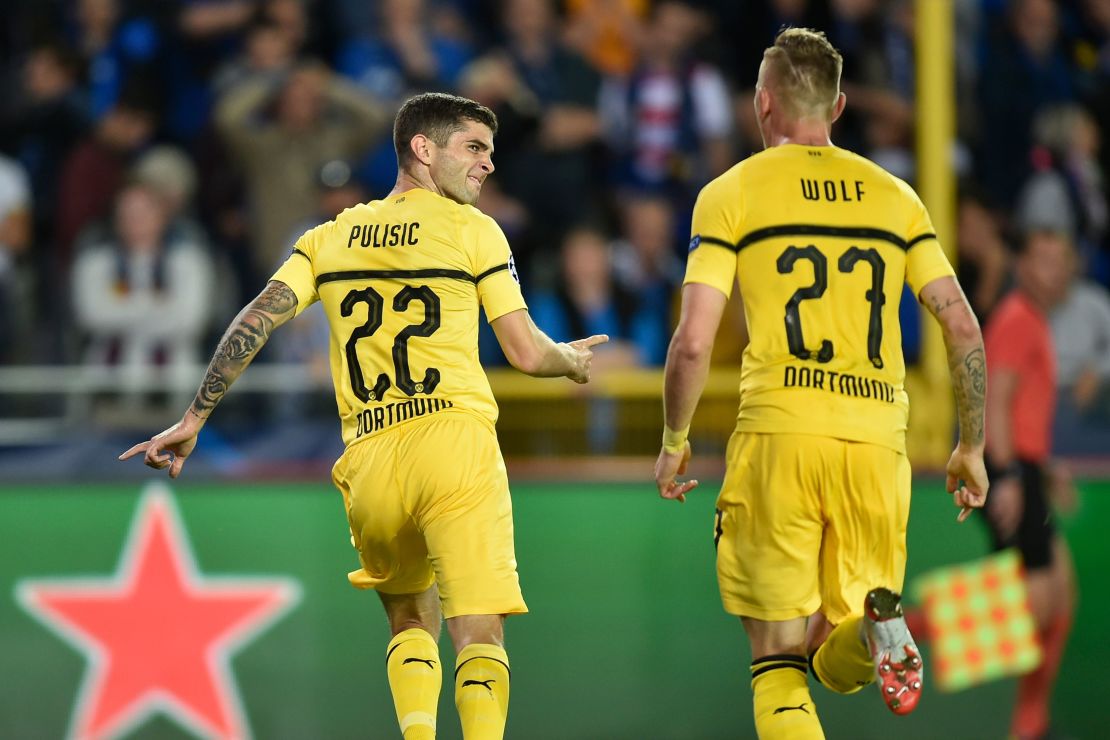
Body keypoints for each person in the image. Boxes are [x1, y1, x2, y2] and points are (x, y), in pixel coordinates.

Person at [120, 92, 605, 740]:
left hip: (371, 458)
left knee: (410, 622)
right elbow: (523, 351)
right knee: (479, 630)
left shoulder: (330, 237)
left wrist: (196, 414)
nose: (488, 164)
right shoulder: (474, 230)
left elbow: (256, 318)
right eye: (474, 148)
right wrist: (568, 360)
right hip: (453, 441)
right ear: (423, 149)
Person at [652, 29, 988, 739]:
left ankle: (866, 634)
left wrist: (674, 440)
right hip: (875, 444)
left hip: (779, 434)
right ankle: (873, 633)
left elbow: (690, 344)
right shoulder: (897, 198)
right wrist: (971, 446)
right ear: (838, 106)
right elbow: (961, 326)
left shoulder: (731, 192)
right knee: (834, 652)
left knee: (777, 665)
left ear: (761, 104)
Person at [983, 228, 1078, 740]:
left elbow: (1021, 411)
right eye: (1042, 259)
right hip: (1009, 471)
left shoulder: (1031, 319)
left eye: (1060, 259)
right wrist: (1013, 478)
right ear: (1023, 267)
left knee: (1060, 596)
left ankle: (1031, 723)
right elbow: (996, 402)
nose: (1053, 270)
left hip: (1023, 470)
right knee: (1035, 605)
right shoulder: (1019, 318)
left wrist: (1044, 469)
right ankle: (901, 629)